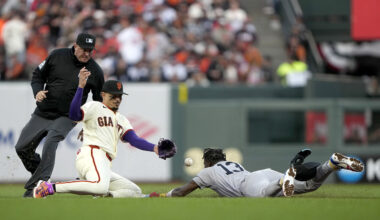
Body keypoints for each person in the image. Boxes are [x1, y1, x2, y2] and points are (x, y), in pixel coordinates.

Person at [32, 76, 175, 198]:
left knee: (134, 191)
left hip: (104, 163)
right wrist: (80, 87)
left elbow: (134, 139)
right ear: (103, 95)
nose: (117, 99)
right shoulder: (94, 106)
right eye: (113, 96)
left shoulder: (121, 119)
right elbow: (74, 115)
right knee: (99, 187)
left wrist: (154, 148)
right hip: (92, 154)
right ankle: (48, 187)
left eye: (120, 96)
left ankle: (105, 196)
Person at [15, 33, 105, 197]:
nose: (87, 53)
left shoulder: (95, 71)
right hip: (43, 111)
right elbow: (37, 75)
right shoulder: (57, 55)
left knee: (51, 141)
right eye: (84, 49)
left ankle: (38, 185)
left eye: (90, 51)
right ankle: (39, 173)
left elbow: (99, 102)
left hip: (68, 116)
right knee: (21, 147)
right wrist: (37, 92)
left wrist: (89, 125)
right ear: (75, 45)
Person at [149, 148, 364, 198]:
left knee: (262, 196)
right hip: (263, 173)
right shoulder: (230, 164)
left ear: (208, 161)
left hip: (250, 184)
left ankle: (284, 178)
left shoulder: (207, 172)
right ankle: (330, 164)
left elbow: (182, 191)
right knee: (310, 185)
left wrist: (164, 195)